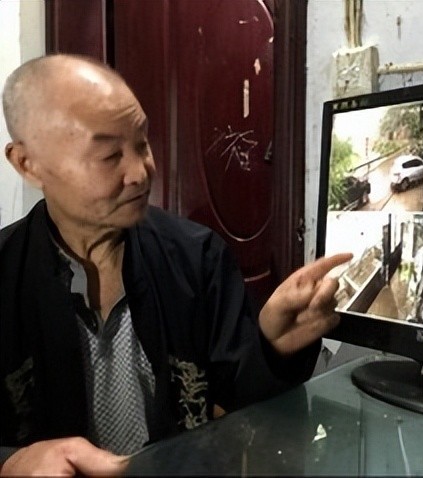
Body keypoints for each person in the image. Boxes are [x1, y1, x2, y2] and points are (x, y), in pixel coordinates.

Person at [0, 54, 351, 476]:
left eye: (142, 143)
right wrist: (10, 461)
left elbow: (240, 400)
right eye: (109, 155)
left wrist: (273, 348)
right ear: (27, 163)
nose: (140, 172)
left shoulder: (197, 256)